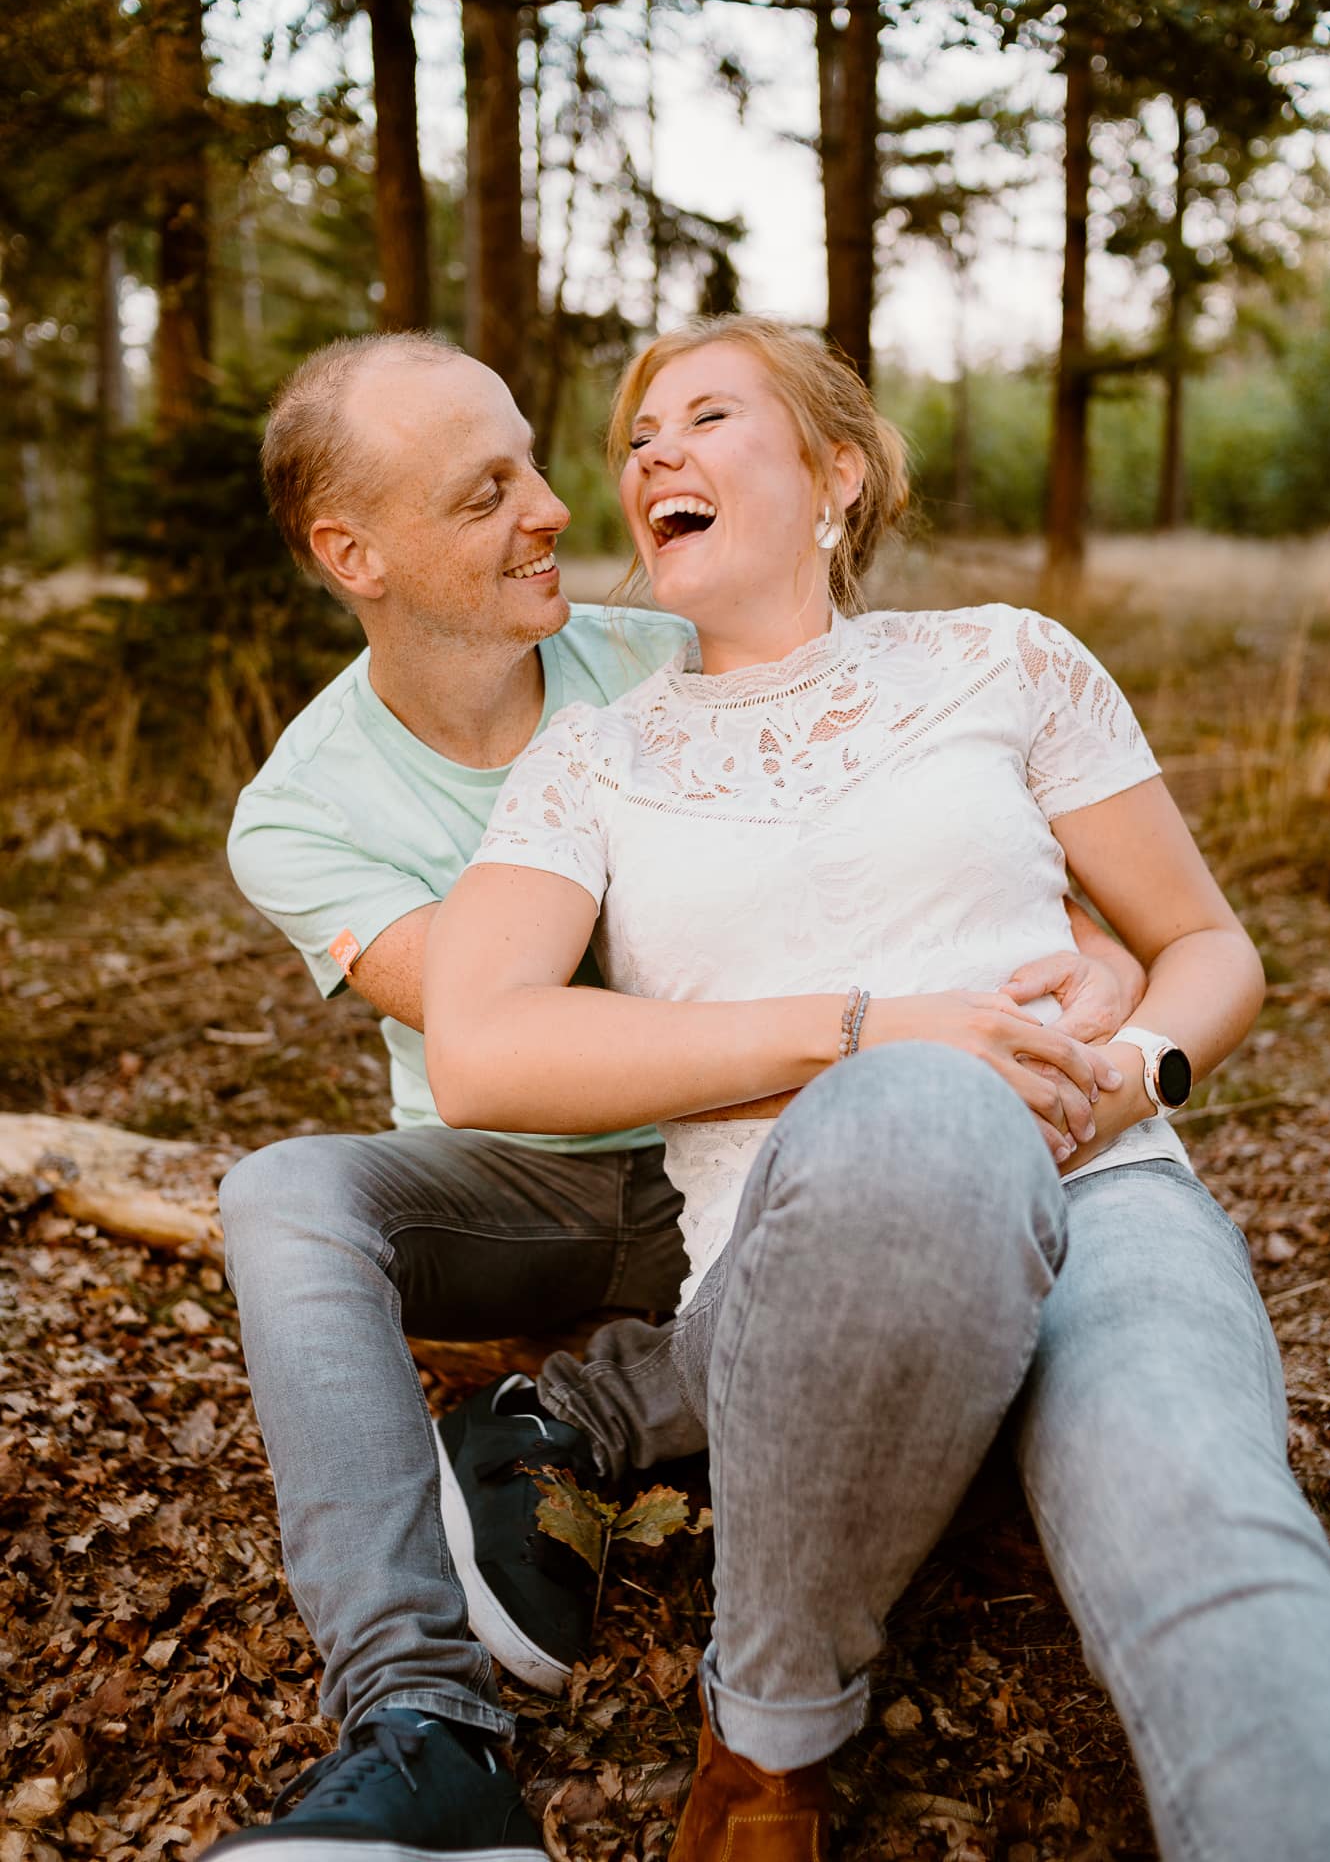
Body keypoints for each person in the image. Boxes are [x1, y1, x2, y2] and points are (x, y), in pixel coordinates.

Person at [425, 314, 1330, 1862]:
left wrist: (1133, 1073)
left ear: (837, 474)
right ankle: (772, 1732)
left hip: (1104, 1197)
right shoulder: (596, 758)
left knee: (1212, 1524)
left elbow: (1205, 946)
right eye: (637, 440)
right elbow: (484, 1049)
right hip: (806, 1262)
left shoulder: (1001, 656)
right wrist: (876, 1031)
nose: (651, 452)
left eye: (706, 416)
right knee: (923, 1109)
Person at [213, 330, 1141, 1861]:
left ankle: (585, 1413)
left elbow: (925, 816)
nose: (553, 509)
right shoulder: (298, 813)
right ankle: (419, 1720)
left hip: (763, 1144)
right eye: (483, 492)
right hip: (530, 1181)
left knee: (900, 1230)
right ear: (350, 552)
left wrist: (1088, 945)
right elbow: (501, 1015)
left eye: (530, 459)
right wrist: (847, 999)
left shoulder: (658, 640)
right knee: (282, 1192)